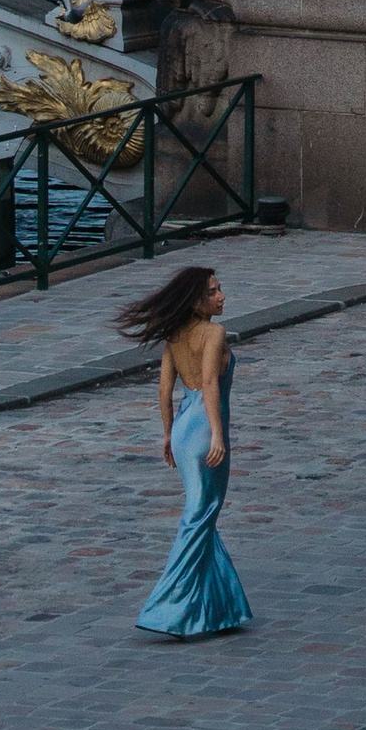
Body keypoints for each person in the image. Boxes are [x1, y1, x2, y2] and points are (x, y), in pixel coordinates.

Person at [116, 261, 251, 640]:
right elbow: (209, 381)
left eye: (220, 288)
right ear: (195, 302)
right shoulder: (214, 333)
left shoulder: (173, 335)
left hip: (181, 431)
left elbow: (163, 392)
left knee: (201, 513)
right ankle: (166, 608)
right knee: (200, 514)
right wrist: (219, 435)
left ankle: (223, 607)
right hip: (204, 430)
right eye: (212, 292)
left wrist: (166, 434)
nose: (221, 296)